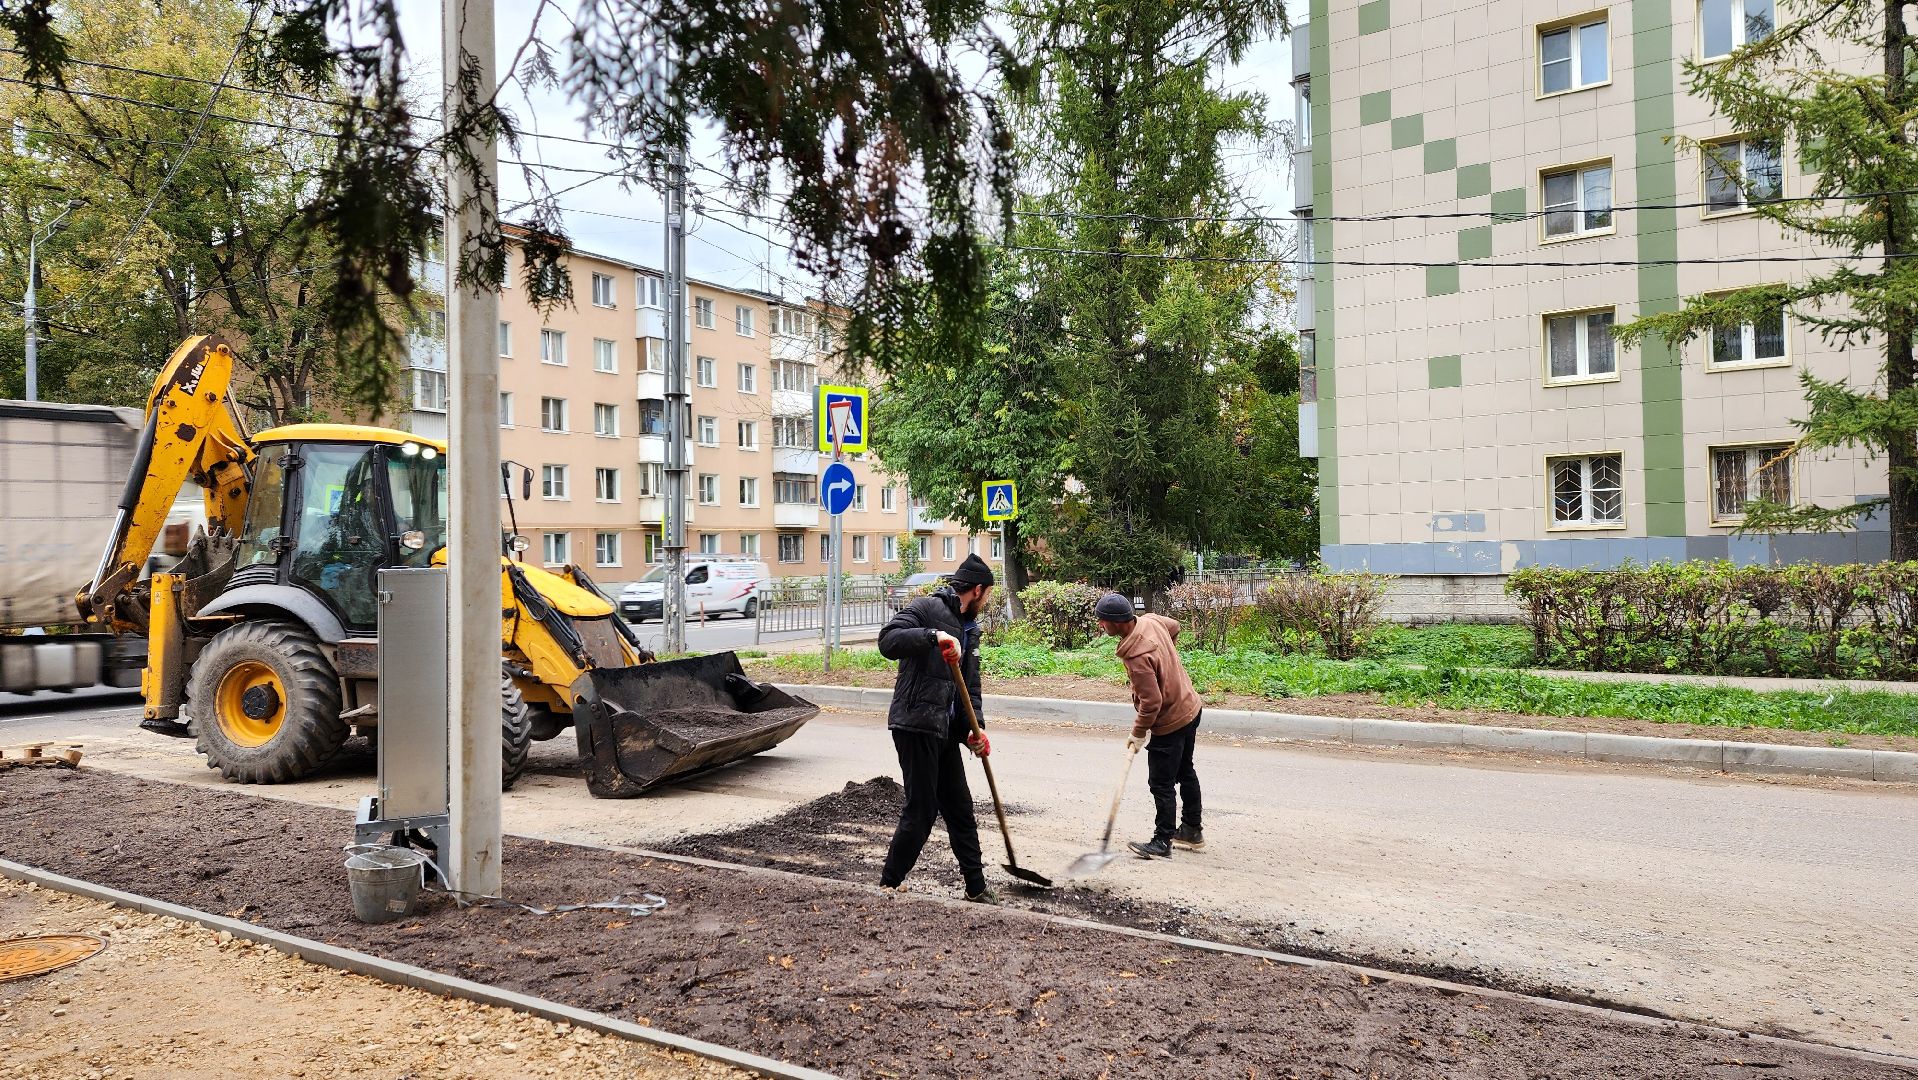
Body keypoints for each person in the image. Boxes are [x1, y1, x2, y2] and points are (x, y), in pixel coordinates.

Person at [875, 553, 999, 901]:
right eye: (987, 596)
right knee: (923, 809)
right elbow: (888, 640)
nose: (986, 602)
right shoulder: (927, 608)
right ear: (977, 590)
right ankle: (888, 883)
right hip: (915, 724)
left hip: (944, 731)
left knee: (960, 808)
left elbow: (968, 689)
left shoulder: (971, 629)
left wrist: (975, 731)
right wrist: (932, 636)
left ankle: (976, 889)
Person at [1095, 591, 1204, 859]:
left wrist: (1138, 732)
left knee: (1161, 783)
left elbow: (1152, 702)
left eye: (1102, 621)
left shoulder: (1137, 656)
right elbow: (1175, 627)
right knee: (1185, 771)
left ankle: (1162, 840)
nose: (1100, 625)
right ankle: (1191, 830)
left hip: (1170, 721)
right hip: (1190, 706)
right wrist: (1168, 663)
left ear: (1117, 623)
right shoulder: (1151, 621)